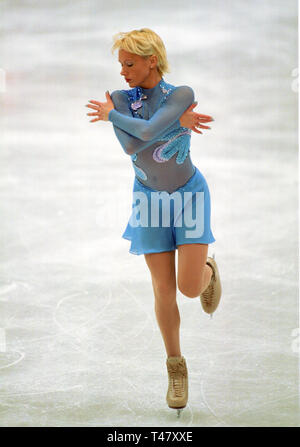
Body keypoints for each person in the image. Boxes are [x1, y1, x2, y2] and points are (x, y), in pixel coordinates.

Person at [85, 28, 222, 417]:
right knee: (163, 289)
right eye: (120, 64)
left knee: (190, 289)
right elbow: (131, 146)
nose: (123, 71)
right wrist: (175, 123)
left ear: (151, 60)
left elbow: (141, 130)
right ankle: (175, 367)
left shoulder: (181, 95)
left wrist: (113, 116)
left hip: (190, 196)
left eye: (130, 63)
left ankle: (208, 271)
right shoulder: (123, 98)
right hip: (148, 201)